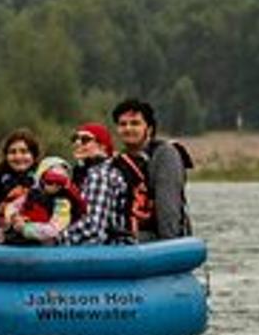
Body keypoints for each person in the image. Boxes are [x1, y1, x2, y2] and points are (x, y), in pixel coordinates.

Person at [114, 97, 194, 240]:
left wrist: (169, 246)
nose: (128, 128)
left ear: (149, 129)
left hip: (159, 240)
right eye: (122, 124)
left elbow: (168, 208)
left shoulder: (165, 155)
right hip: (129, 236)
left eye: (135, 123)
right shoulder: (118, 161)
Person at [61, 121, 134, 246]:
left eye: (85, 139)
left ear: (102, 147)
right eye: (75, 139)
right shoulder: (88, 173)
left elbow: (92, 227)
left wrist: (56, 239)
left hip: (109, 250)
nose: (78, 143)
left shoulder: (99, 176)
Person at [0, 155, 85, 246]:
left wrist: (25, 228)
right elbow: (12, 206)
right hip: (22, 237)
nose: (54, 185)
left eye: (60, 182)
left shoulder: (63, 204)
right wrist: (14, 217)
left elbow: (54, 229)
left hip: (46, 244)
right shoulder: (29, 195)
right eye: (50, 180)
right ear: (41, 179)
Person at [0, 129, 40, 244]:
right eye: (12, 152)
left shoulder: (45, 181)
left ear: (33, 155)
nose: (18, 157)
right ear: (6, 156)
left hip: (38, 241)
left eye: (24, 151)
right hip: (2, 244)